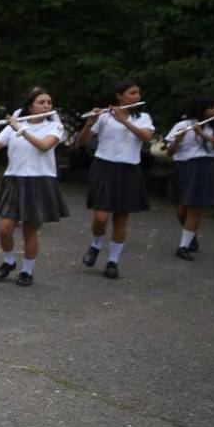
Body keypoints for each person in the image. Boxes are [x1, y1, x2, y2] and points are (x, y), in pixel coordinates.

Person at [0, 87, 68, 287]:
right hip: (13, 179)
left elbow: (44, 146)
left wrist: (20, 129)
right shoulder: (14, 125)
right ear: (30, 106)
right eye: (42, 102)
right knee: (5, 229)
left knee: (30, 231)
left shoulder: (55, 126)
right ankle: (9, 261)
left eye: (49, 102)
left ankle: (27, 271)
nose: (47, 105)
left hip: (40, 180)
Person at [77, 79, 154, 279]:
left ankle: (113, 261)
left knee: (121, 218)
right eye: (132, 93)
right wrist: (89, 124)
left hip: (129, 169)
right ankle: (95, 245)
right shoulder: (104, 116)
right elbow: (82, 142)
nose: (136, 96)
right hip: (104, 166)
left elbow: (146, 137)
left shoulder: (143, 117)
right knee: (101, 217)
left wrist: (125, 121)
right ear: (119, 96)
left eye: (138, 93)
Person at [164, 96, 214, 260]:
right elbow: (169, 153)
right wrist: (177, 140)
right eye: (211, 108)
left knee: (195, 207)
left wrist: (203, 135)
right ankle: (191, 236)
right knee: (182, 209)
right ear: (200, 109)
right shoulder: (182, 125)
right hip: (184, 167)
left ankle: (183, 246)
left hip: (205, 167)